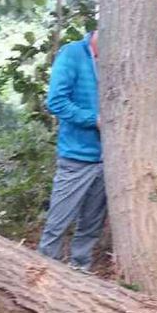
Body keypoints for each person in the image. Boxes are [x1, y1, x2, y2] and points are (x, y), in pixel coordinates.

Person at [38, 30, 106, 272]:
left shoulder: (116, 57)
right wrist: (93, 119)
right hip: (76, 156)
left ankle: (80, 273)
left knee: (91, 225)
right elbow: (55, 101)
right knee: (58, 222)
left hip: (108, 159)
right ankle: (45, 272)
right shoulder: (73, 54)